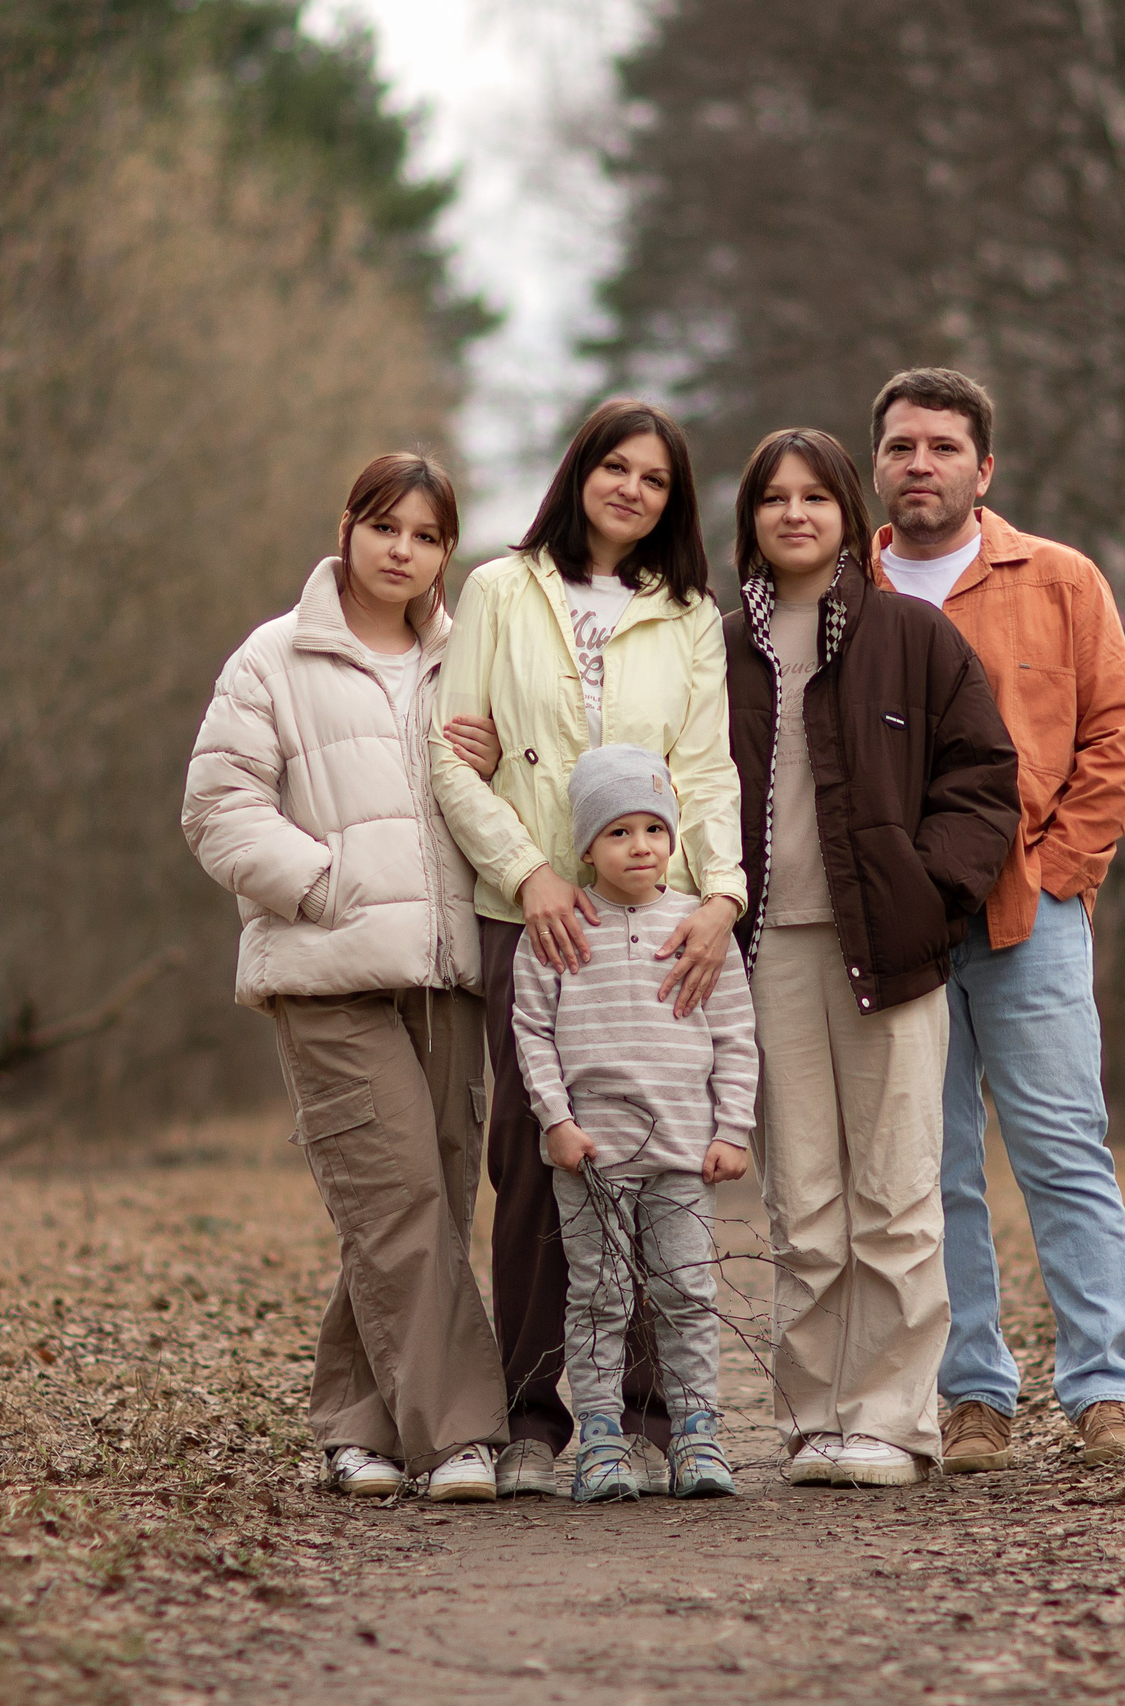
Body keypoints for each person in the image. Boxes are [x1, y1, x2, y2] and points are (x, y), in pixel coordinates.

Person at [430, 399, 747, 1498]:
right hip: (530, 912)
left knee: (655, 1152)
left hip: (656, 920)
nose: (631, 488)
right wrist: (528, 870)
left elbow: (704, 770)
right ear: (578, 471)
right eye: (614, 465)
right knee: (534, 1160)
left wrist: (719, 897)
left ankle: (656, 1417)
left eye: (654, 478)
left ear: (672, 501)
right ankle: (531, 1418)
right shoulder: (497, 589)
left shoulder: (688, 612)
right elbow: (452, 759)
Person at [181, 453, 505, 1502]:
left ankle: (354, 1427)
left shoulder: (472, 663)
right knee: (399, 1195)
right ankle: (459, 1432)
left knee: (428, 1202)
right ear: (348, 528)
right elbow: (218, 807)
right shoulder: (273, 658)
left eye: (424, 534)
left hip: (449, 972)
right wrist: (325, 887)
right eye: (384, 527)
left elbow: (512, 794)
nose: (401, 549)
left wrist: (506, 761)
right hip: (329, 973)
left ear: (444, 551)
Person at [863, 369, 1125, 1470]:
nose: (920, 463)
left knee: (1063, 1150)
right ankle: (974, 1395)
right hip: (900, 929)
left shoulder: (1059, 579)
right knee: (932, 1169)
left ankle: (1102, 1387)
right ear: (877, 464)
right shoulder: (850, 586)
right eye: (900, 447)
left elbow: (1116, 728)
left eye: (943, 446)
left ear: (984, 468)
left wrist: (1065, 868)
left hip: (1034, 916)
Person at [722, 428, 1019, 1486]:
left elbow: (983, 780)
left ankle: (891, 1419)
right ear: (750, 518)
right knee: (802, 1200)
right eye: (773, 498)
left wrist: (929, 896)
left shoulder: (914, 636)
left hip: (888, 952)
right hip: (766, 953)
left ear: (849, 511)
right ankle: (814, 1416)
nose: (793, 514)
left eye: (814, 496)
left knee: (893, 1192)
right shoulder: (720, 651)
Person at [508, 744, 756, 1502]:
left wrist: (732, 1130)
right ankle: (602, 1445)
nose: (640, 846)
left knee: (686, 1292)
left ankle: (698, 1438)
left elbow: (736, 1036)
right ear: (585, 846)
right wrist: (556, 1120)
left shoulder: (698, 928)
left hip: (683, 1152)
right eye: (618, 832)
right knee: (599, 1296)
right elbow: (532, 1034)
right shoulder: (556, 931)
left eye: (654, 828)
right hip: (593, 1155)